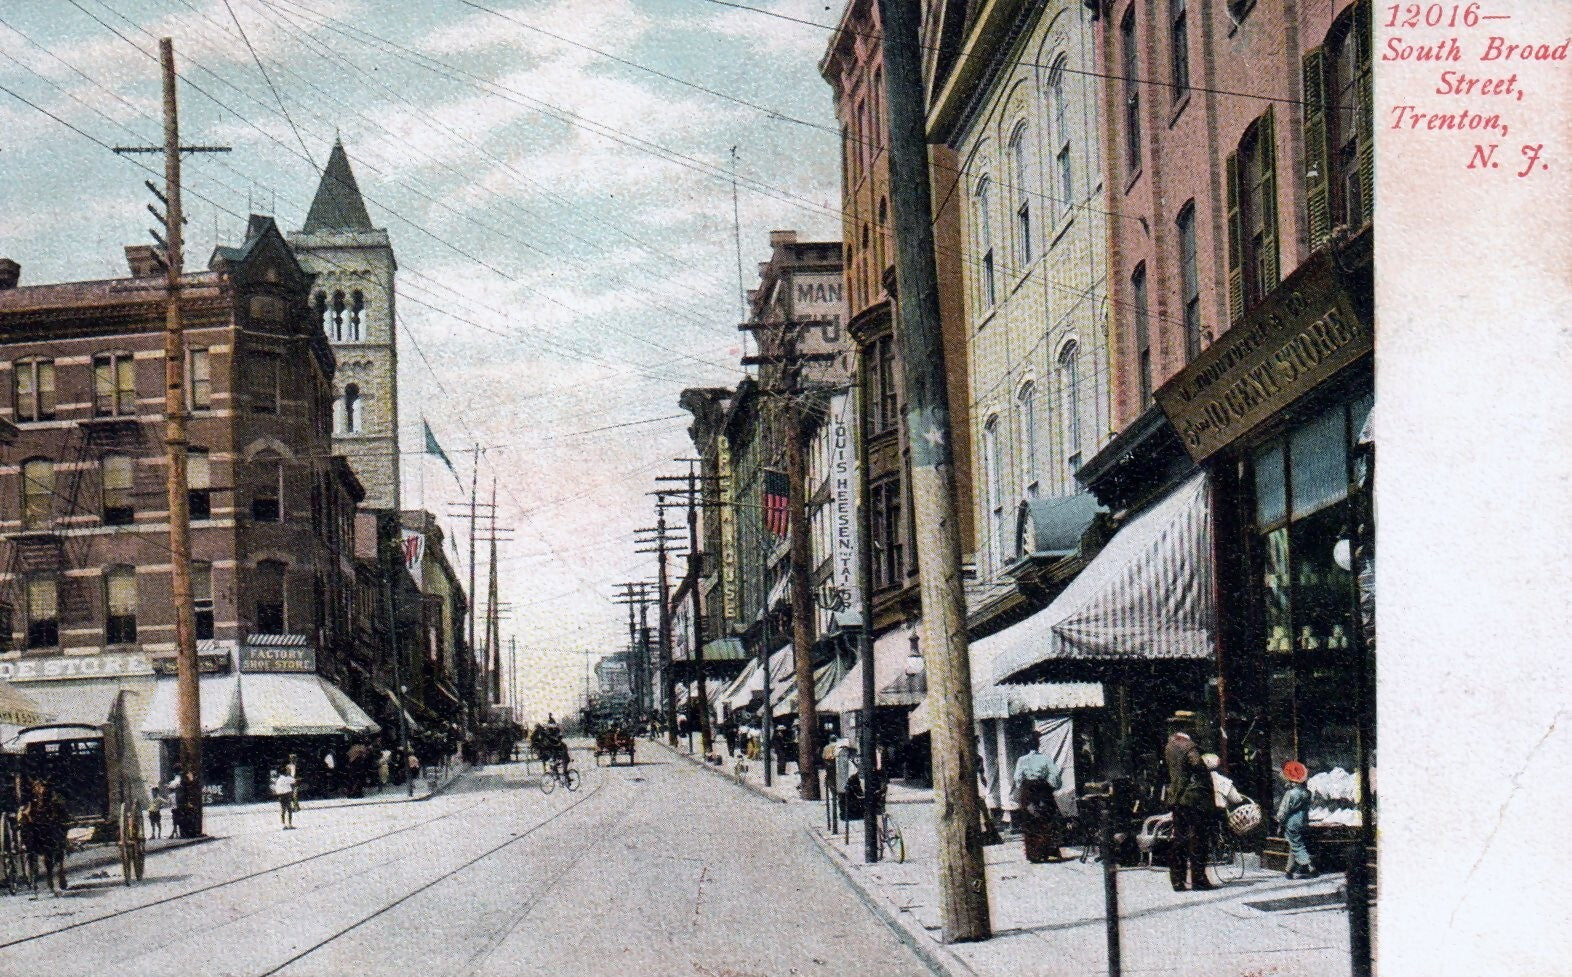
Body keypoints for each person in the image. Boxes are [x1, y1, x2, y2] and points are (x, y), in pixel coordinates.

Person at [1164, 711, 1216, 891]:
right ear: (1187, 726)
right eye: (1192, 724)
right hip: (1194, 799)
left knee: (1180, 839)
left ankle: (1177, 880)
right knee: (1198, 839)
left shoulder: (1170, 745)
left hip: (1177, 797)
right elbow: (1197, 765)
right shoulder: (1189, 746)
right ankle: (1198, 879)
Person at [1012, 732, 1067, 863]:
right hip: (1042, 790)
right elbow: (1055, 775)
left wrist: (1023, 786)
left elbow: (1017, 778)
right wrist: (1054, 786)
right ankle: (1048, 850)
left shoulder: (1022, 760)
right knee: (1047, 819)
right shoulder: (1045, 759)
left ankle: (1034, 854)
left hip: (1028, 792)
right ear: (1038, 745)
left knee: (1030, 821)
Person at [20, 778, 69, 893]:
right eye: (37, 788)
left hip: (52, 828)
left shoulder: (54, 801)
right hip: (39, 830)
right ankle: (48, 876)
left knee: (57, 848)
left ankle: (60, 871)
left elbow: (59, 815)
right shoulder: (31, 802)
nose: (40, 790)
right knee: (46, 853)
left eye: (42, 787)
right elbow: (26, 817)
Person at [1276, 760, 1317, 878]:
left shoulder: (1290, 794)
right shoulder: (1307, 793)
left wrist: (1279, 823)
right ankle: (1289, 871)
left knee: (1297, 845)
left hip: (1292, 823)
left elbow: (1283, 811)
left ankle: (1311, 866)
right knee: (1295, 844)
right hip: (1303, 821)